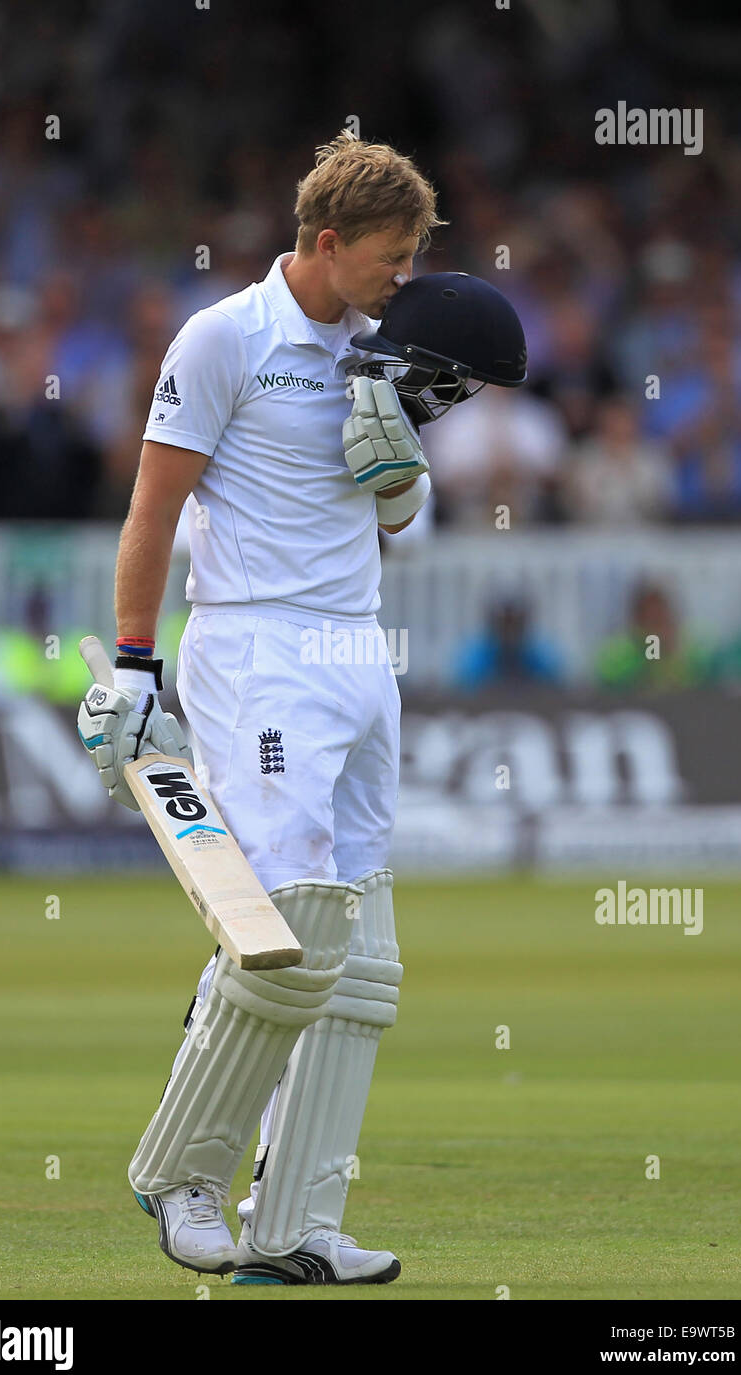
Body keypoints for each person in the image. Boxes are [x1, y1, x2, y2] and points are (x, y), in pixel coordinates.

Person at [77, 129, 526, 1286]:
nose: (405, 270)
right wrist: (134, 665)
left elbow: (390, 520)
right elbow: (152, 512)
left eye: (417, 249)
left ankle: (294, 1224)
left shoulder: (385, 348)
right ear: (325, 242)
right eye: (391, 250)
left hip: (356, 654)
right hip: (257, 648)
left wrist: (398, 473)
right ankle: (180, 1174)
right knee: (283, 934)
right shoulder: (225, 338)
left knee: (358, 955)